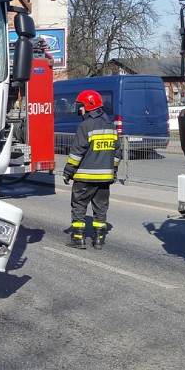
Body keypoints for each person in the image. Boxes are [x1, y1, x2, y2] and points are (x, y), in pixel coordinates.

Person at [62, 90, 122, 250]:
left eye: (80, 107)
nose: (80, 110)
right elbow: (117, 153)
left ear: (88, 106)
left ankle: (78, 239)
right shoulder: (111, 126)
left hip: (84, 178)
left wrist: (68, 172)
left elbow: (77, 152)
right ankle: (99, 240)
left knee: (79, 206)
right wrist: (113, 170)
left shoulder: (85, 125)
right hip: (105, 179)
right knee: (100, 208)